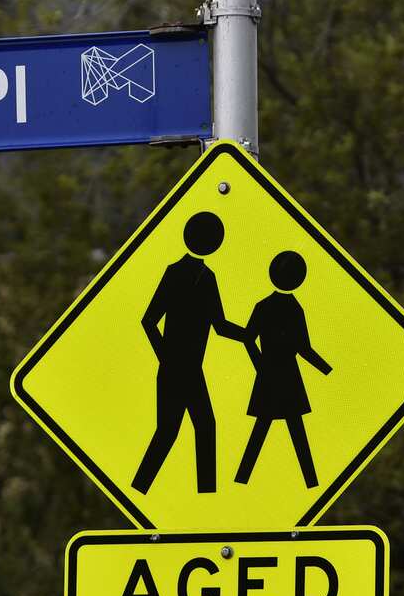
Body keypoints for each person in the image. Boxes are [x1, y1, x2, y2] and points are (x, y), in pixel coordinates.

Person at [131, 211, 246, 495]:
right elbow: (149, 320)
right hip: (176, 369)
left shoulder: (204, 277)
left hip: (189, 369)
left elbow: (218, 325)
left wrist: (248, 335)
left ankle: (204, 495)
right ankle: (141, 489)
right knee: (173, 431)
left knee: (200, 427)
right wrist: (165, 356)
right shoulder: (180, 273)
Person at [234, 250, 331, 488]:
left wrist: (261, 366)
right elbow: (304, 348)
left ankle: (242, 479)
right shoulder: (294, 309)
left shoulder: (264, 306)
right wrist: (327, 370)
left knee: (267, 428)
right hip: (287, 377)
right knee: (292, 430)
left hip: (272, 376)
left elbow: (248, 338)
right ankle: (310, 482)